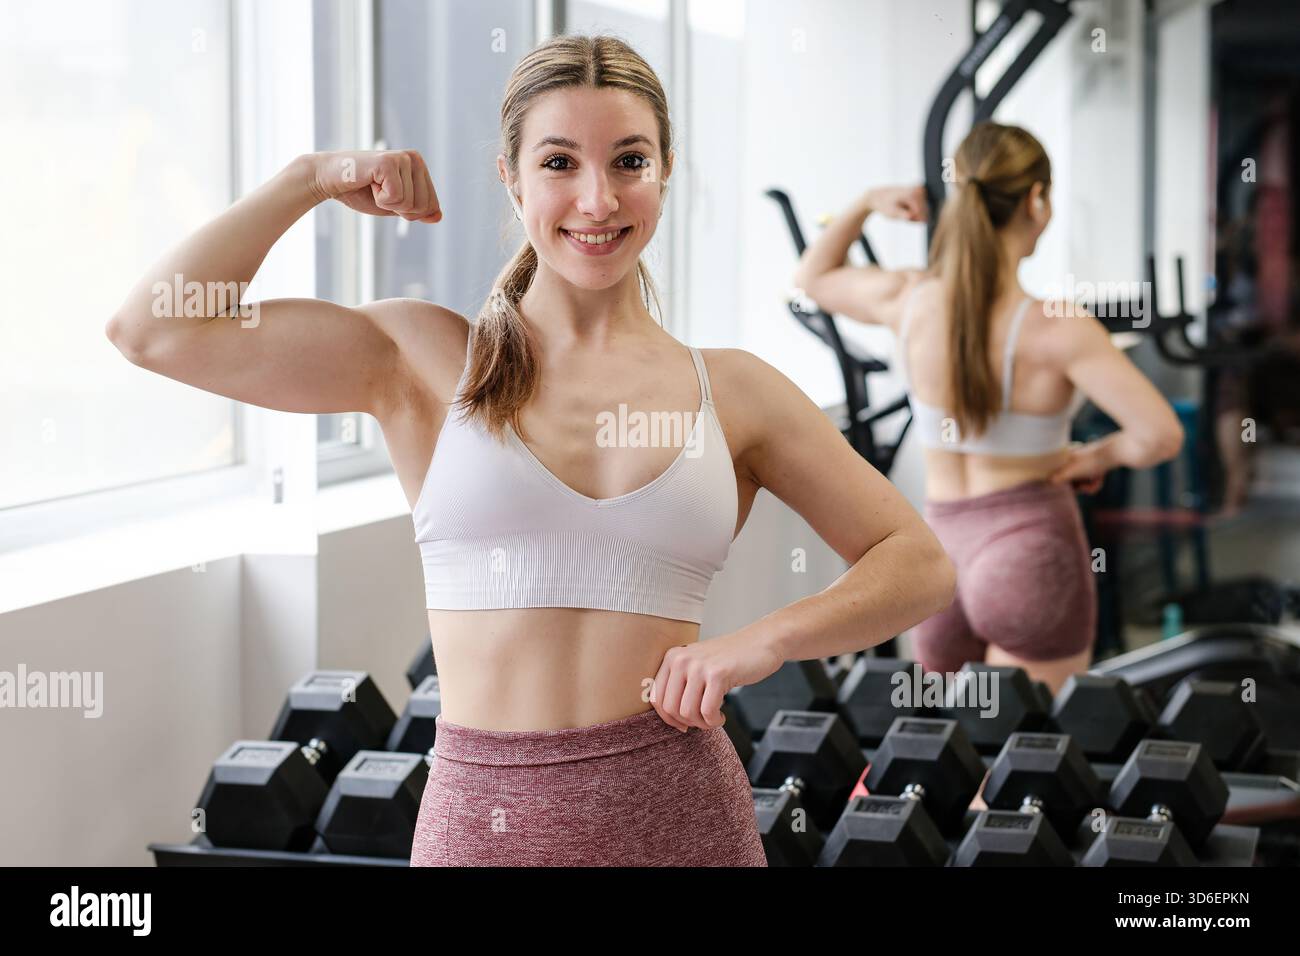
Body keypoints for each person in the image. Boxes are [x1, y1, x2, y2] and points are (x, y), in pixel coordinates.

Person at [105, 34, 954, 866]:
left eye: (629, 161)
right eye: (559, 163)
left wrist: (764, 641)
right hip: (484, 827)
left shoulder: (730, 391)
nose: (597, 200)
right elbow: (154, 329)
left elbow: (917, 561)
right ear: (509, 177)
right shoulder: (424, 360)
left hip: (682, 819)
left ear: (663, 172)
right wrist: (310, 180)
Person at [792, 121, 1183, 695]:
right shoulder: (1059, 326)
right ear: (1036, 201)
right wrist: (1094, 456)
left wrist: (868, 204)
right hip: (1028, 549)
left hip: (935, 559)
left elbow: (812, 277)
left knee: (947, 760)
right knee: (1021, 766)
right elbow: (1159, 435)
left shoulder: (907, 298)